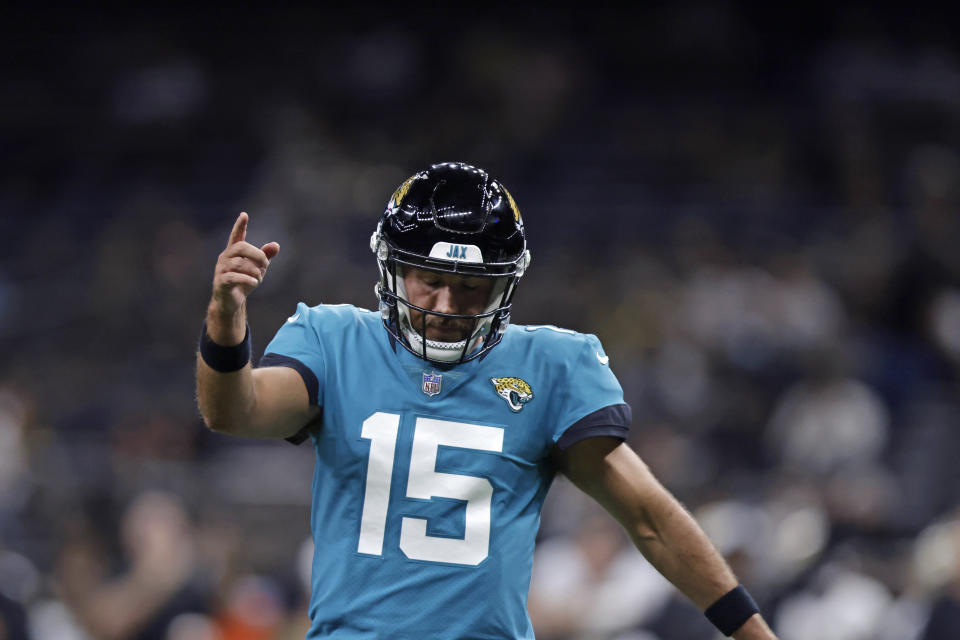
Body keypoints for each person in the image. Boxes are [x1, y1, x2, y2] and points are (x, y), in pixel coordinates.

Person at [196, 162, 778, 639]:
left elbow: (649, 518)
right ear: (393, 269)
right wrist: (226, 319)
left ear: (505, 287)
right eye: (431, 280)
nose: (448, 306)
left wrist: (750, 632)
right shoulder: (334, 339)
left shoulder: (550, 366)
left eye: (472, 288)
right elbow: (232, 410)